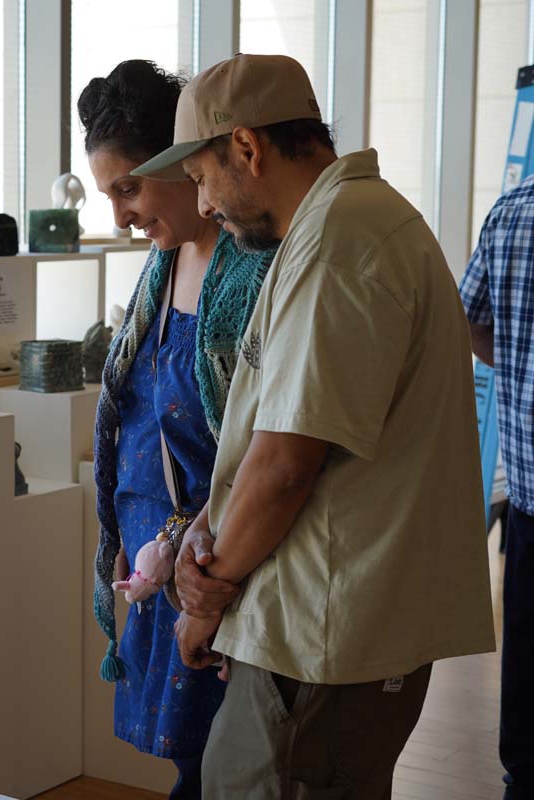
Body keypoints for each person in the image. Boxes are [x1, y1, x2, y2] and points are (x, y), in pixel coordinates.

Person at [133, 54, 496, 798]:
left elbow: (285, 464)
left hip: (322, 637)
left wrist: (208, 596)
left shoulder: (339, 243)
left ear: (247, 148)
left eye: (201, 177)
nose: (203, 206)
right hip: (329, 626)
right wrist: (209, 522)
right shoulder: (346, 227)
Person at [83, 59, 274, 799]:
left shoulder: (253, 269)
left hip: (215, 568)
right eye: (109, 196)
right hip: (156, 567)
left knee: (219, 764)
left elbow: (261, 443)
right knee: (191, 761)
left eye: (128, 188)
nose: (120, 215)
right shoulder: (160, 266)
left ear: (183, 161)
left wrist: (195, 559)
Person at [460, 176, 534, 799]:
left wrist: (515, 360)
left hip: (531, 489)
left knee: (530, 647)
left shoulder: (513, 209)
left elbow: (469, 318)